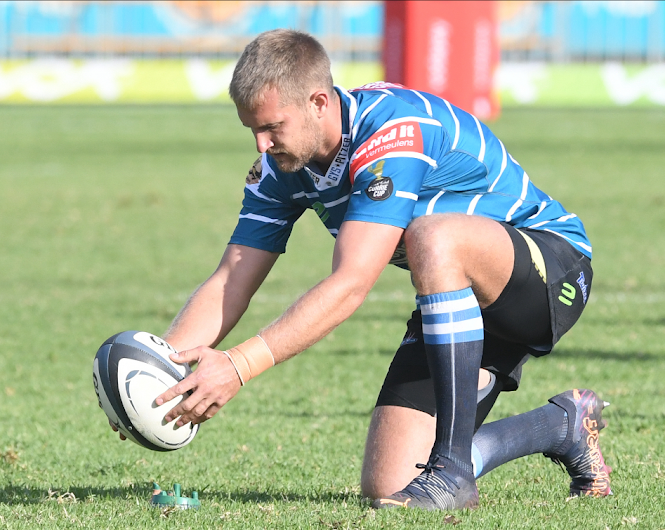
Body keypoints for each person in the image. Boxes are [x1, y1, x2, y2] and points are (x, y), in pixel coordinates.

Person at [114, 29, 612, 510]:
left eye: (272, 127)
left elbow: (351, 283)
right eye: (252, 130)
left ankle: (454, 472)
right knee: (389, 486)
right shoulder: (283, 168)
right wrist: (163, 381)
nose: (261, 146)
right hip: (457, 302)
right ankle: (561, 426)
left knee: (432, 234)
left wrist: (239, 366)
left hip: (551, 271)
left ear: (318, 102)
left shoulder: (393, 130)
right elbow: (230, 278)